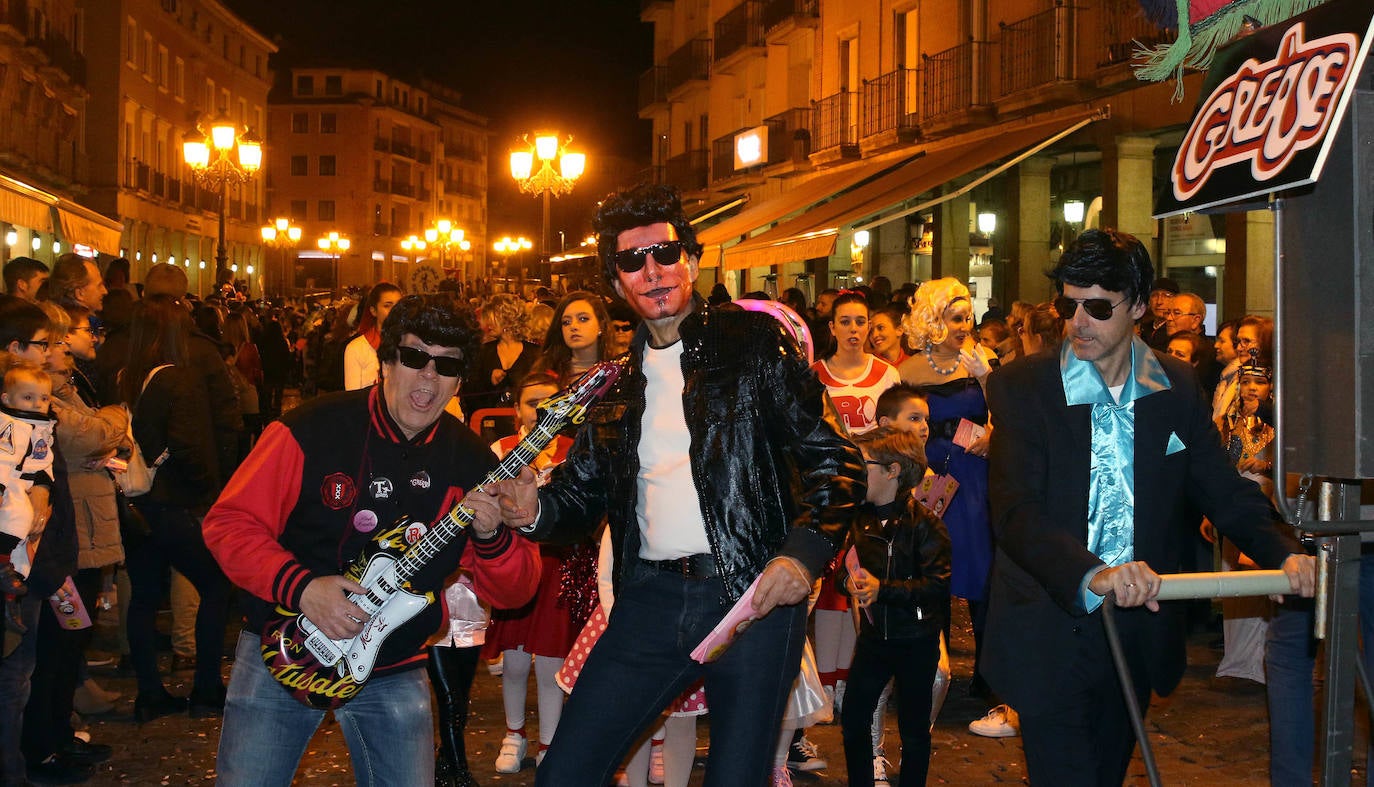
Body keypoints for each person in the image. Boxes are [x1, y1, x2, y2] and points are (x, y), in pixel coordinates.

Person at [482, 183, 864, 786]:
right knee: (566, 771)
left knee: (735, 776)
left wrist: (802, 557)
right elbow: (579, 500)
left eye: (664, 253)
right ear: (616, 283)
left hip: (753, 594)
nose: (652, 271)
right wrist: (532, 510)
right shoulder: (613, 386)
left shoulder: (753, 345)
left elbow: (835, 459)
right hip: (651, 601)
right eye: (632, 261)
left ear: (689, 258)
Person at [983, 228, 1315, 786]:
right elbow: (1016, 512)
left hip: (1139, 630)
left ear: (1138, 306)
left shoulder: (1176, 385)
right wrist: (1094, 574)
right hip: (1051, 625)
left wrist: (1282, 553)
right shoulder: (1022, 386)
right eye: (1069, 304)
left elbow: (1221, 487)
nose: (1078, 322)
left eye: (1097, 307)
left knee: (1108, 773)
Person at [202, 296, 540, 786]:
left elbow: (517, 592)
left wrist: (491, 537)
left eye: (447, 364)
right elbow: (228, 523)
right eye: (414, 357)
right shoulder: (310, 428)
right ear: (384, 361)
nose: (428, 377)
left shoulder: (471, 461)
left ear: (461, 379)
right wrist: (302, 588)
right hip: (285, 647)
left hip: (394, 661)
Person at [119, 295, 232, 723]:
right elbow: (189, 445)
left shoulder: (130, 377)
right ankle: (206, 686)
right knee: (217, 585)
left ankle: (150, 692)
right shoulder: (178, 380)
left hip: (139, 503)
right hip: (174, 504)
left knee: (145, 597)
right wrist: (208, 490)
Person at [838, 426, 951, 787]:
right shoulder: (860, 517)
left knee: (914, 729)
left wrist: (882, 590)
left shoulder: (926, 525)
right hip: (874, 640)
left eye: (863, 463)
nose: (856, 470)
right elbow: (848, 565)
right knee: (854, 719)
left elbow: (936, 586)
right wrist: (849, 581)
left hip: (916, 640)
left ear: (892, 471)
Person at [0, 296, 83, 784]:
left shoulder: (37, 413)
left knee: (23, 668)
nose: (53, 351)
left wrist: (44, 493)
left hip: (34, 557)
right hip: (19, 557)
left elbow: (45, 469)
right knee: (16, 671)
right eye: (43, 343)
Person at [343, 283, 403, 390]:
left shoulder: (410, 345)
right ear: (373, 311)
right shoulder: (356, 348)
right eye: (387, 305)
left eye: (398, 306)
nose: (394, 311)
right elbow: (353, 397)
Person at [1139, 276, 1177, 350]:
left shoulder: (1175, 330)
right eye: (1154, 295)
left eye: (1166, 296)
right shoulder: (1143, 328)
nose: (1159, 302)